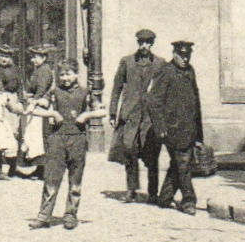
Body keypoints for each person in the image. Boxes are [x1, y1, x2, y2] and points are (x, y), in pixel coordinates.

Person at [29, 60, 106, 230]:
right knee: (51, 178)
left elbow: (102, 111)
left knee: (75, 179)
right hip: (57, 139)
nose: (64, 78)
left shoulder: (86, 92)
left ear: (77, 74)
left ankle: (71, 215)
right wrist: (52, 113)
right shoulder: (54, 92)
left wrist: (86, 116)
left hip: (77, 139)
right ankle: (44, 216)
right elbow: (35, 108)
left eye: (68, 74)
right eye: (62, 74)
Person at [146, 39, 203, 215]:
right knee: (184, 162)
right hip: (172, 129)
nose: (185, 59)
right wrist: (160, 127)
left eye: (188, 56)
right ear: (174, 54)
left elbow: (196, 103)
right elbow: (153, 102)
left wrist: (199, 135)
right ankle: (189, 200)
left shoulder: (190, 71)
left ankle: (164, 197)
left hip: (189, 128)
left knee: (179, 164)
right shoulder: (166, 72)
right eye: (182, 55)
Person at [108, 28, 164, 204]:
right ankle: (131, 190)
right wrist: (112, 112)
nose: (144, 46)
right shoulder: (127, 62)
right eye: (141, 42)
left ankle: (153, 193)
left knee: (151, 154)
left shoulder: (160, 64)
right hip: (130, 115)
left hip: (150, 117)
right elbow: (117, 87)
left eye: (147, 43)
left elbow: (164, 91)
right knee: (129, 151)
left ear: (152, 44)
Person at [17, 45, 56, 178]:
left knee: (39, 137)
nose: (33, 60)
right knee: (35, 137)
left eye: (35, 57)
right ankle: (39, 168)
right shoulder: (38, 70)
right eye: (32, 57)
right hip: (36, 104)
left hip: (41, 107)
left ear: (44, 58)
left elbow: (41, 89)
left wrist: (34, 101)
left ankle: (44, 169)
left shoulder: (44, 71)